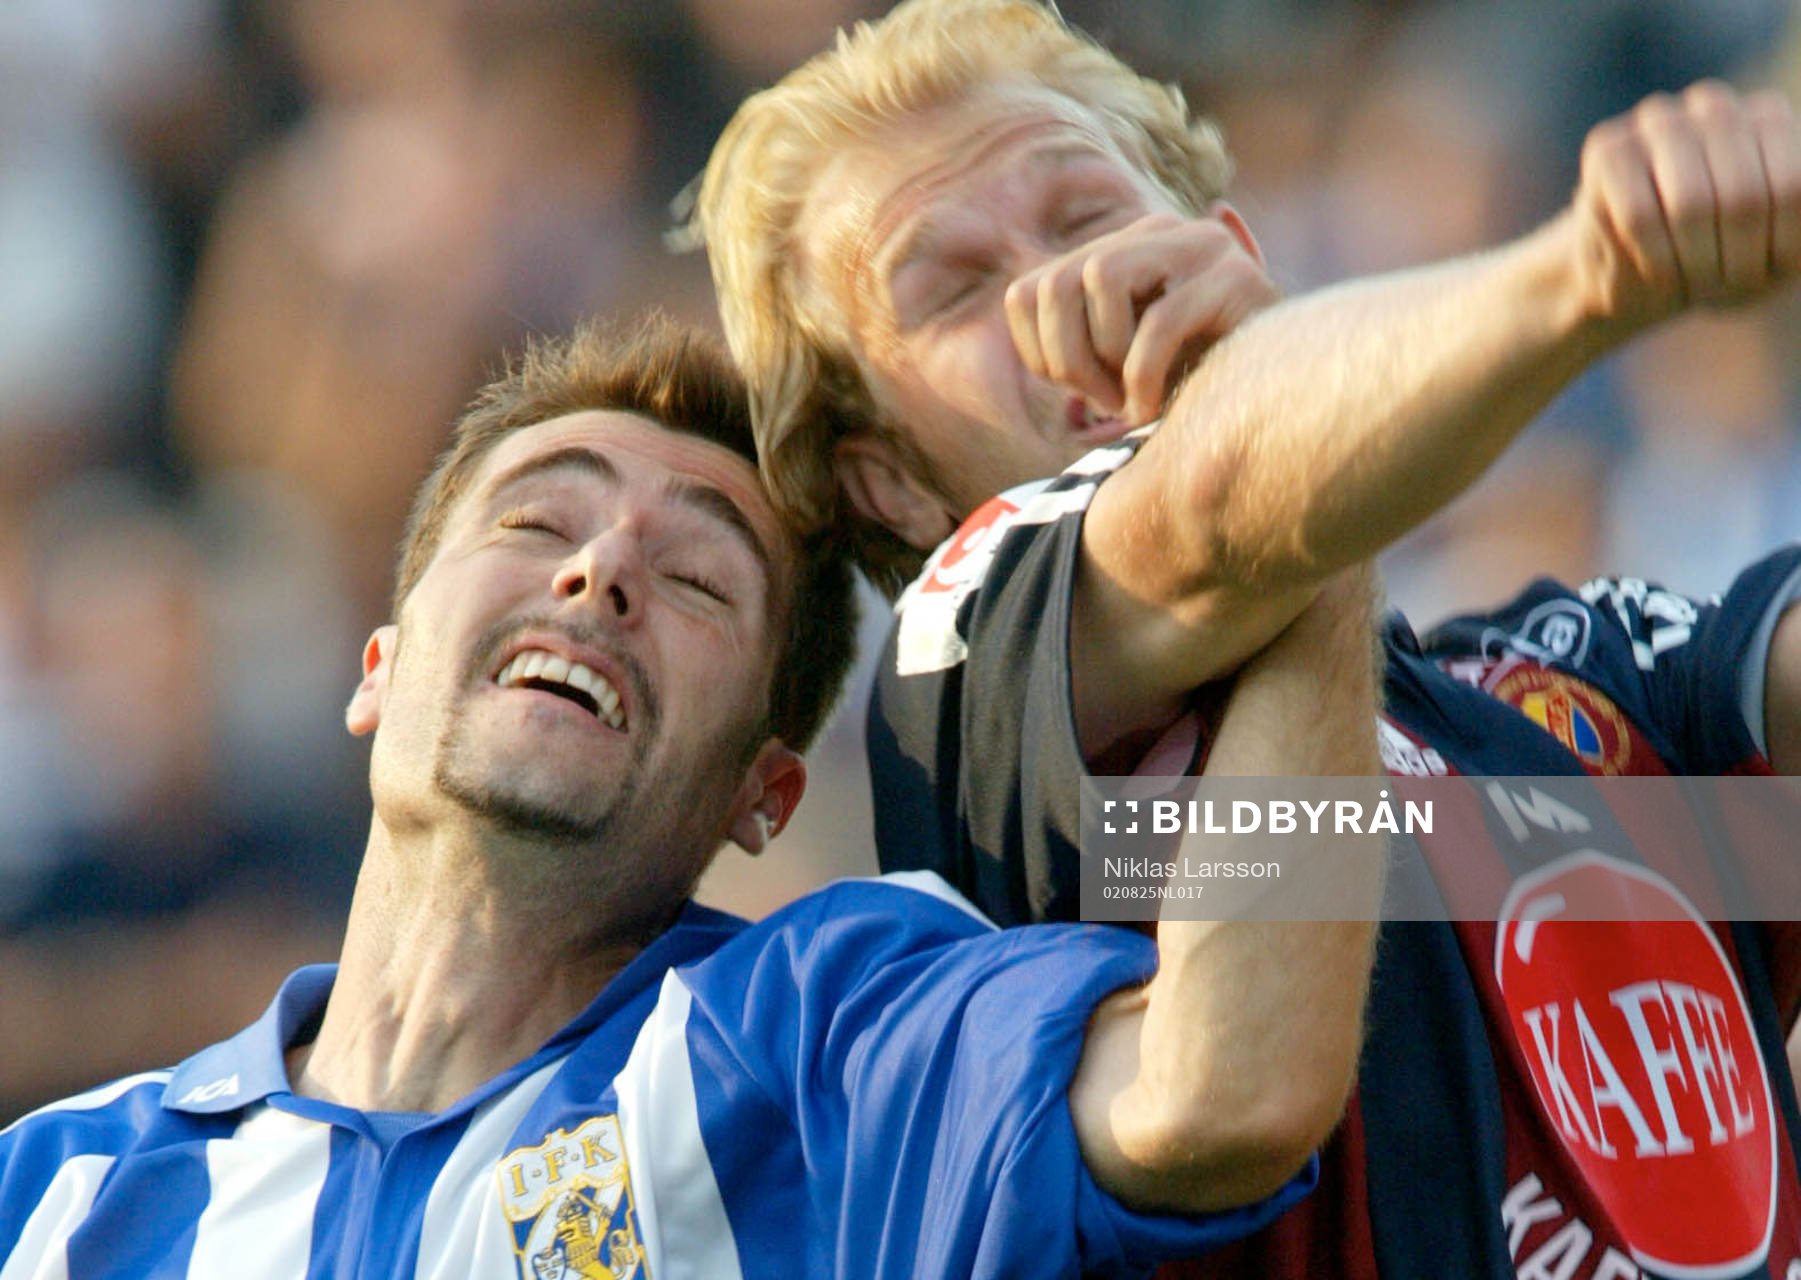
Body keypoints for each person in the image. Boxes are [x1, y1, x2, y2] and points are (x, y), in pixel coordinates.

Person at [694, 0, 1801, 1274]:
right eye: (954, 288)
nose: (1058, 292)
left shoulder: (1568, 690)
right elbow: (1222, 510)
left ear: (1227, 251)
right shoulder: (963, 697)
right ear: (885, 478)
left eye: (1087, 216)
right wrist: (1593, 269)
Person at [0, 315, 1386, 1278]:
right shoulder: (51, 1195)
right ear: (380, 668)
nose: (599, 573)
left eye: (699, 581)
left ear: (762, 792)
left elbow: (1233, 1086)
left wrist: (1303, 527)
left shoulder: (823, 1038)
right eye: (538, 519)